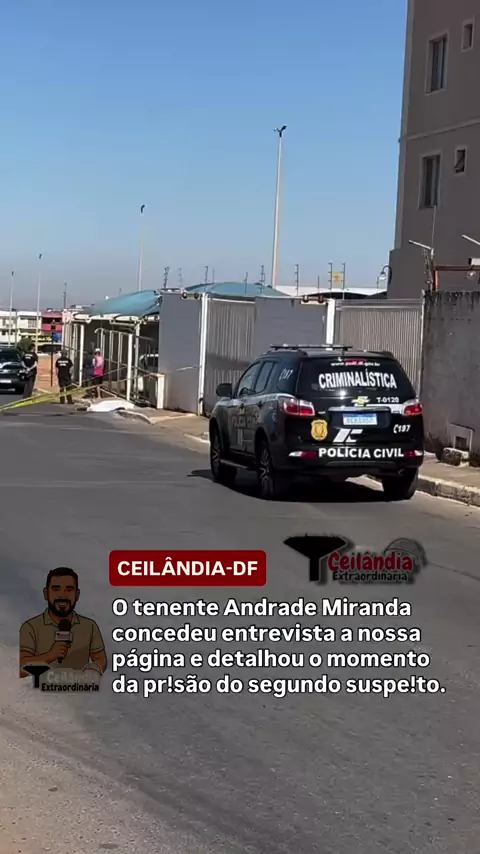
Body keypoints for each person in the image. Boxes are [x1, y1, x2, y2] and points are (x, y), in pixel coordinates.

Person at [19, 566, 107, 678]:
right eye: (56, 589)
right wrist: (49, 656)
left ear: (77, 595)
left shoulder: (90, 626)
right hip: (42, 688)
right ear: (46, 593)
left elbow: (100, 658)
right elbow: (20, 668)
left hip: (80, 687)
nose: (62, 595)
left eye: (69, 590)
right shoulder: (30, 627)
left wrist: (92, 671)